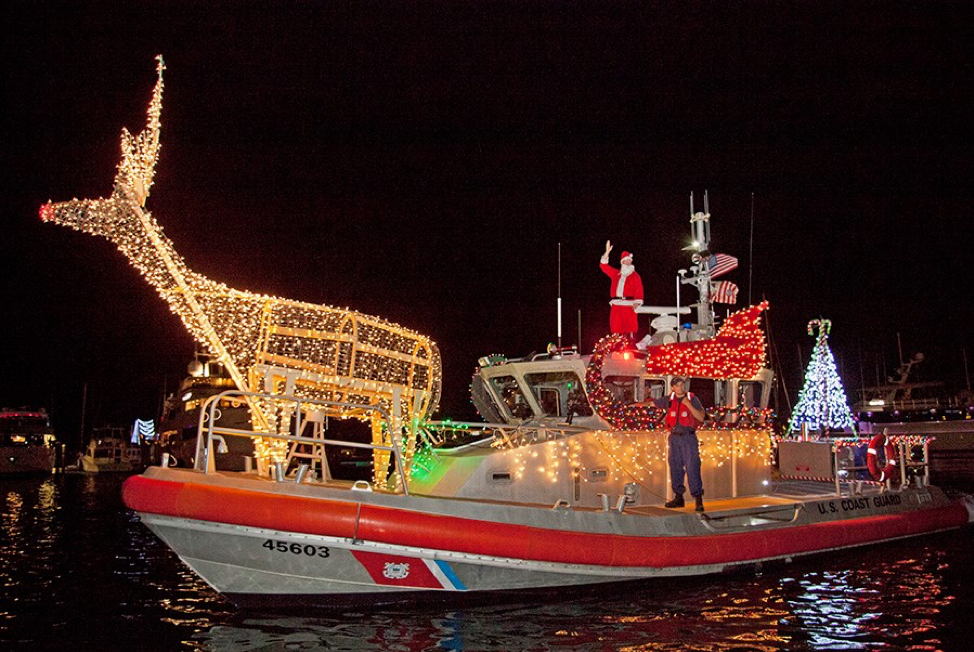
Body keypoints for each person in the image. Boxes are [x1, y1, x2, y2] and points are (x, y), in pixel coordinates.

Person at [654, 377, 707, 512]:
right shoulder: (668, 400)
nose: (680, 388)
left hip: (688, 438)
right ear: (673, 388)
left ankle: (698, 499)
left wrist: (688, 404)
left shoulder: (692, 399)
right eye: (677, 386)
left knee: (692, 467)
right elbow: (652, 403)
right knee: (675, 467)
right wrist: (631, 405)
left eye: (682, 385)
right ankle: (678, 497)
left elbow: (701, 417)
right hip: (674, 438)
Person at [599, 240, 643, 338]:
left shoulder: (635, 276)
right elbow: (604, 266)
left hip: (629, 304)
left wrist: (637, 302)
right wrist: (607, 253)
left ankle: (631, 343)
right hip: (617, 303)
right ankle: (616, 344)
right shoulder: (616, 274)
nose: (628, 262)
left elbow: (639, 289)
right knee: (615, 324)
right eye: (626, 260)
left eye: (629, 261)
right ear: (622, 262)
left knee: (630, 325)